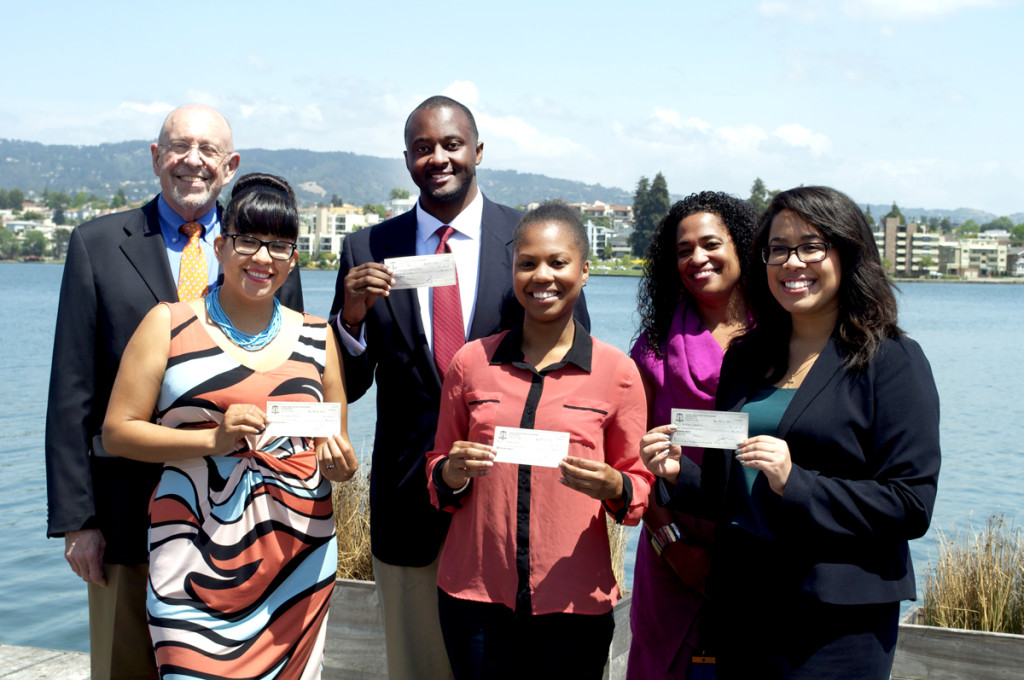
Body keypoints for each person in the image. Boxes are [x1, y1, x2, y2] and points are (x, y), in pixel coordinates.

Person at [328, 96, 589, 680]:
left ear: (477, 151)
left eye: (450, 145)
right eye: (423, 148)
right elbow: (349, 385)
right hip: (407, 497)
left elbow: (576, 369)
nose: (438, 158)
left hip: (513, 500)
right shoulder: (368, 248)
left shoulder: (530, 241)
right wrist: (348, 320)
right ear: (406, 160)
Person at [44, 105, 303, 680]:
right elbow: (71, 389)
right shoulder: (97, 243)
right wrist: (77, 521)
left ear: (230, 165)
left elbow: (291, 381)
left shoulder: (266, 252)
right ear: (156, 157)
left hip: (240, 518)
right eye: (179, 146)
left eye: (208, 150)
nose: (193, 160)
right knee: (124, 667)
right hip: (123, 515)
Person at [642, 186, 941, 679]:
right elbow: (730, 492)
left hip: (838, 619)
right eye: (778, 249)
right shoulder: (744, 358)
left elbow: (910, 504)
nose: (792, 262)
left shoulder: (890, 360)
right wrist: (678, 474)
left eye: (811, 245)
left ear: (847, 252)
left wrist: (795, 481)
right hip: (743, 605)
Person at [101, 173, 356, 679]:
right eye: (248, 241)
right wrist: (211, 440)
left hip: (298, 564)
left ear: (294, 259)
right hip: (190, 556)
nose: (263, 258)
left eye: (280, 246)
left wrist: (342, 464)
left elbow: (337, 445)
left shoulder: (317, 336)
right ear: (221, 247)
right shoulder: (167, 324)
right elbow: (118, 431)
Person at [425, 202, 652, 679]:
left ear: (585, 270)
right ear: (513, 271)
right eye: (527, 263)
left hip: (574, 603)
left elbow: (638, 488)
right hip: (475, 600)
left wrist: (616, 486)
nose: (541, 275)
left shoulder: (618, 373)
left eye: (557, 262)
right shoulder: (471, 363)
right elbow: (438, 468)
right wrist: (450, 472)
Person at [626, 192, 757, 679]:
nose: (698, 258)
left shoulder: (783, 340)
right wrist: (673, 546)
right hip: (674, 556)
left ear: (742, 246)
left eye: (710, 243)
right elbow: (632, 459)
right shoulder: (653, 347)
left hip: (761, 553)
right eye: (684, 250)